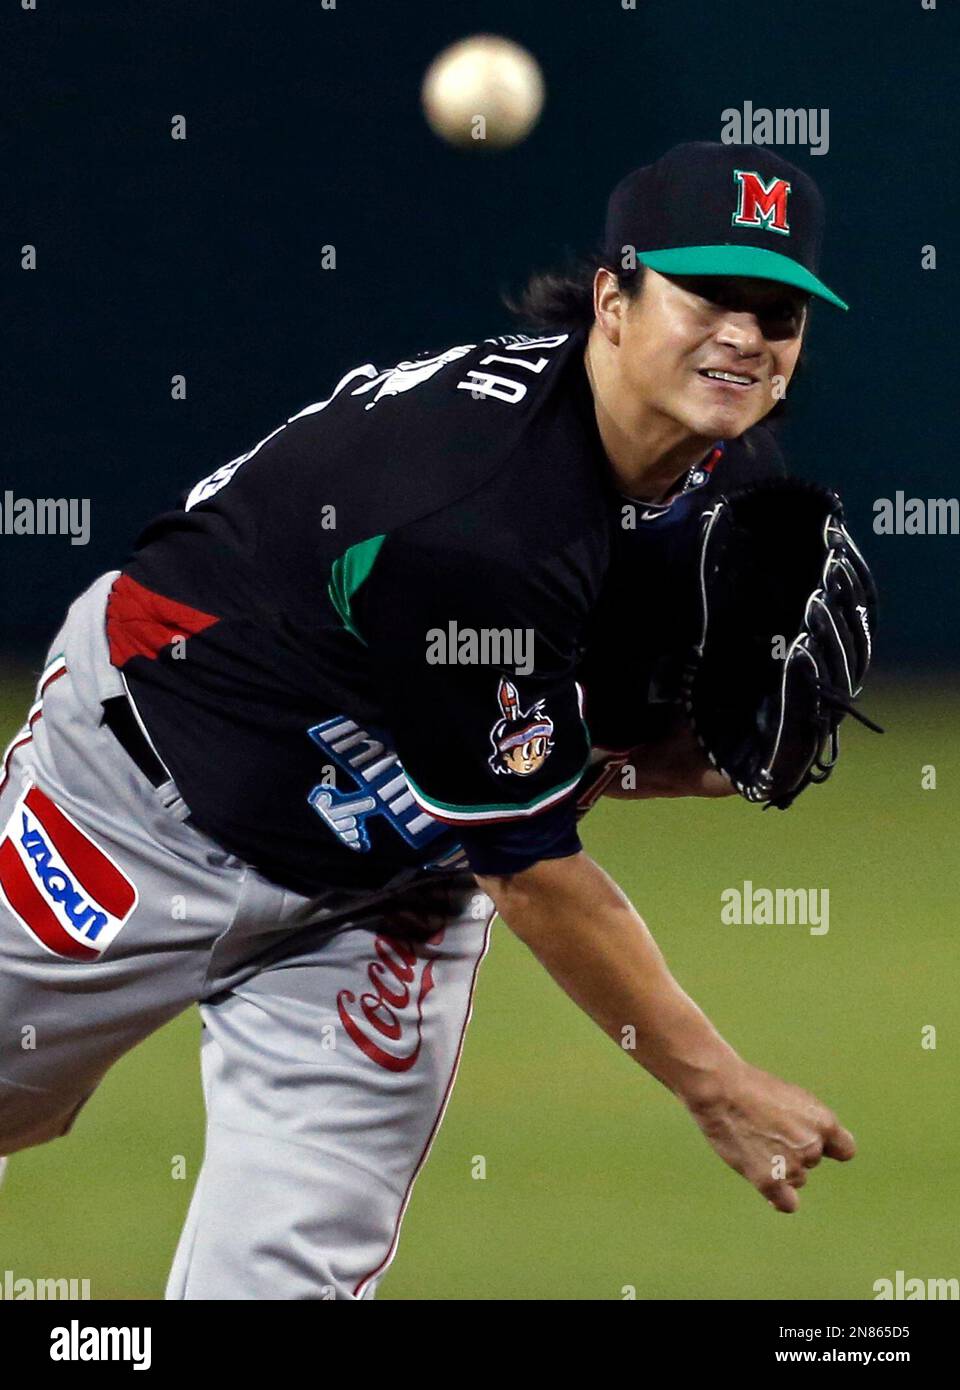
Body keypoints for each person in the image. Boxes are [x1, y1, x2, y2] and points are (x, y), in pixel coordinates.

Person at [0, 142, 856, 1300]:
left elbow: (560, 754)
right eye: (710, 297)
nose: (747, 336)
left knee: (284, 1281)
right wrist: (716, 1080)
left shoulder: (704, 490)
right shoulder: (476, 513)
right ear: (615, 297)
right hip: (137, 808)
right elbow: (532, 862)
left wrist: (692, 755)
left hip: (389, 889)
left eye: (780, 312)